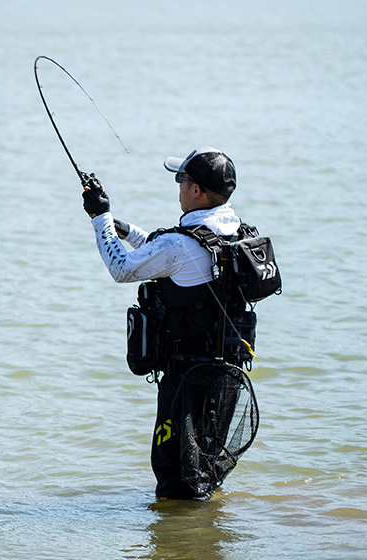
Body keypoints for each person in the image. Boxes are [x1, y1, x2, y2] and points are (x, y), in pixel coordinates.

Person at [80, 146, 259, 499]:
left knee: (174, 473)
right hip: (225, 376)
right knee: (204, 469)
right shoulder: (238, 233)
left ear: (195, 191)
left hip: (187, 379)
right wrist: (126, 229)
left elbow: (123, 268)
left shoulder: (181, 245)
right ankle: (201, 542)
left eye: (182, 179)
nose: (177, 185)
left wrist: (99, 218)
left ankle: (181, 543)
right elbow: (173, 254)